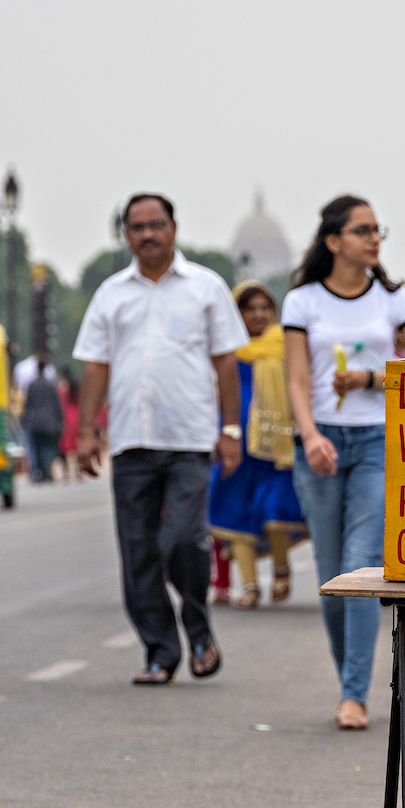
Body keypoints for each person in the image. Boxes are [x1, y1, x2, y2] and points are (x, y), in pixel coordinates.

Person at [73, 193, 245, 686]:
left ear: (174, 227)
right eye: (136, 227)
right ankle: (160, 651)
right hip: (131, 440)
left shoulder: (206, 288)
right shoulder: (111, 293)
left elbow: (226, 363)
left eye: (156, 224)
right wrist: (86, 432)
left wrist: (230, 430)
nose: (147, 234)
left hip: (189, 438)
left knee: (183, 540)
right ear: (125, 234)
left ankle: (197, 626)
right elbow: (95, 365)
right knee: (138, 550)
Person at [283, 194, 405, 730]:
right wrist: (310, 434)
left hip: (377, 439)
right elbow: (296, 378)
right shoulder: (304, 301)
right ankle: (350, 683)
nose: (373, 239)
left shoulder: (393, 298)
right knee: (330, 571)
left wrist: (371, 378)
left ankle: (354, 693)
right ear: (333, 241)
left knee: (361, 565)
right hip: (320, 442)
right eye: (362, 230)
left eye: (376, 229)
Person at [208, 281, 309, 610]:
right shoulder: (226, 349)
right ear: (236, 314)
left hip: (274, 444)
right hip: (235, 441)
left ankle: (281, 569)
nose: (258, 315)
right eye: (249, 309)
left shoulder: (286, 345)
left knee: (274, 507)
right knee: (233, 511)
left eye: (265, 308)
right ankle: (249, 586)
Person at [22, 347, 64, 482]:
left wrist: (25, 420)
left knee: (37, 448)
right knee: (49, 448)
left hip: (35, 421)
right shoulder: (51, 385)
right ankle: (47, 471)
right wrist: (60, 420)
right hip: (50, 420)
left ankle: (38, 471)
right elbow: (56, 404)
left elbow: (28, 404)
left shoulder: (32, 385)